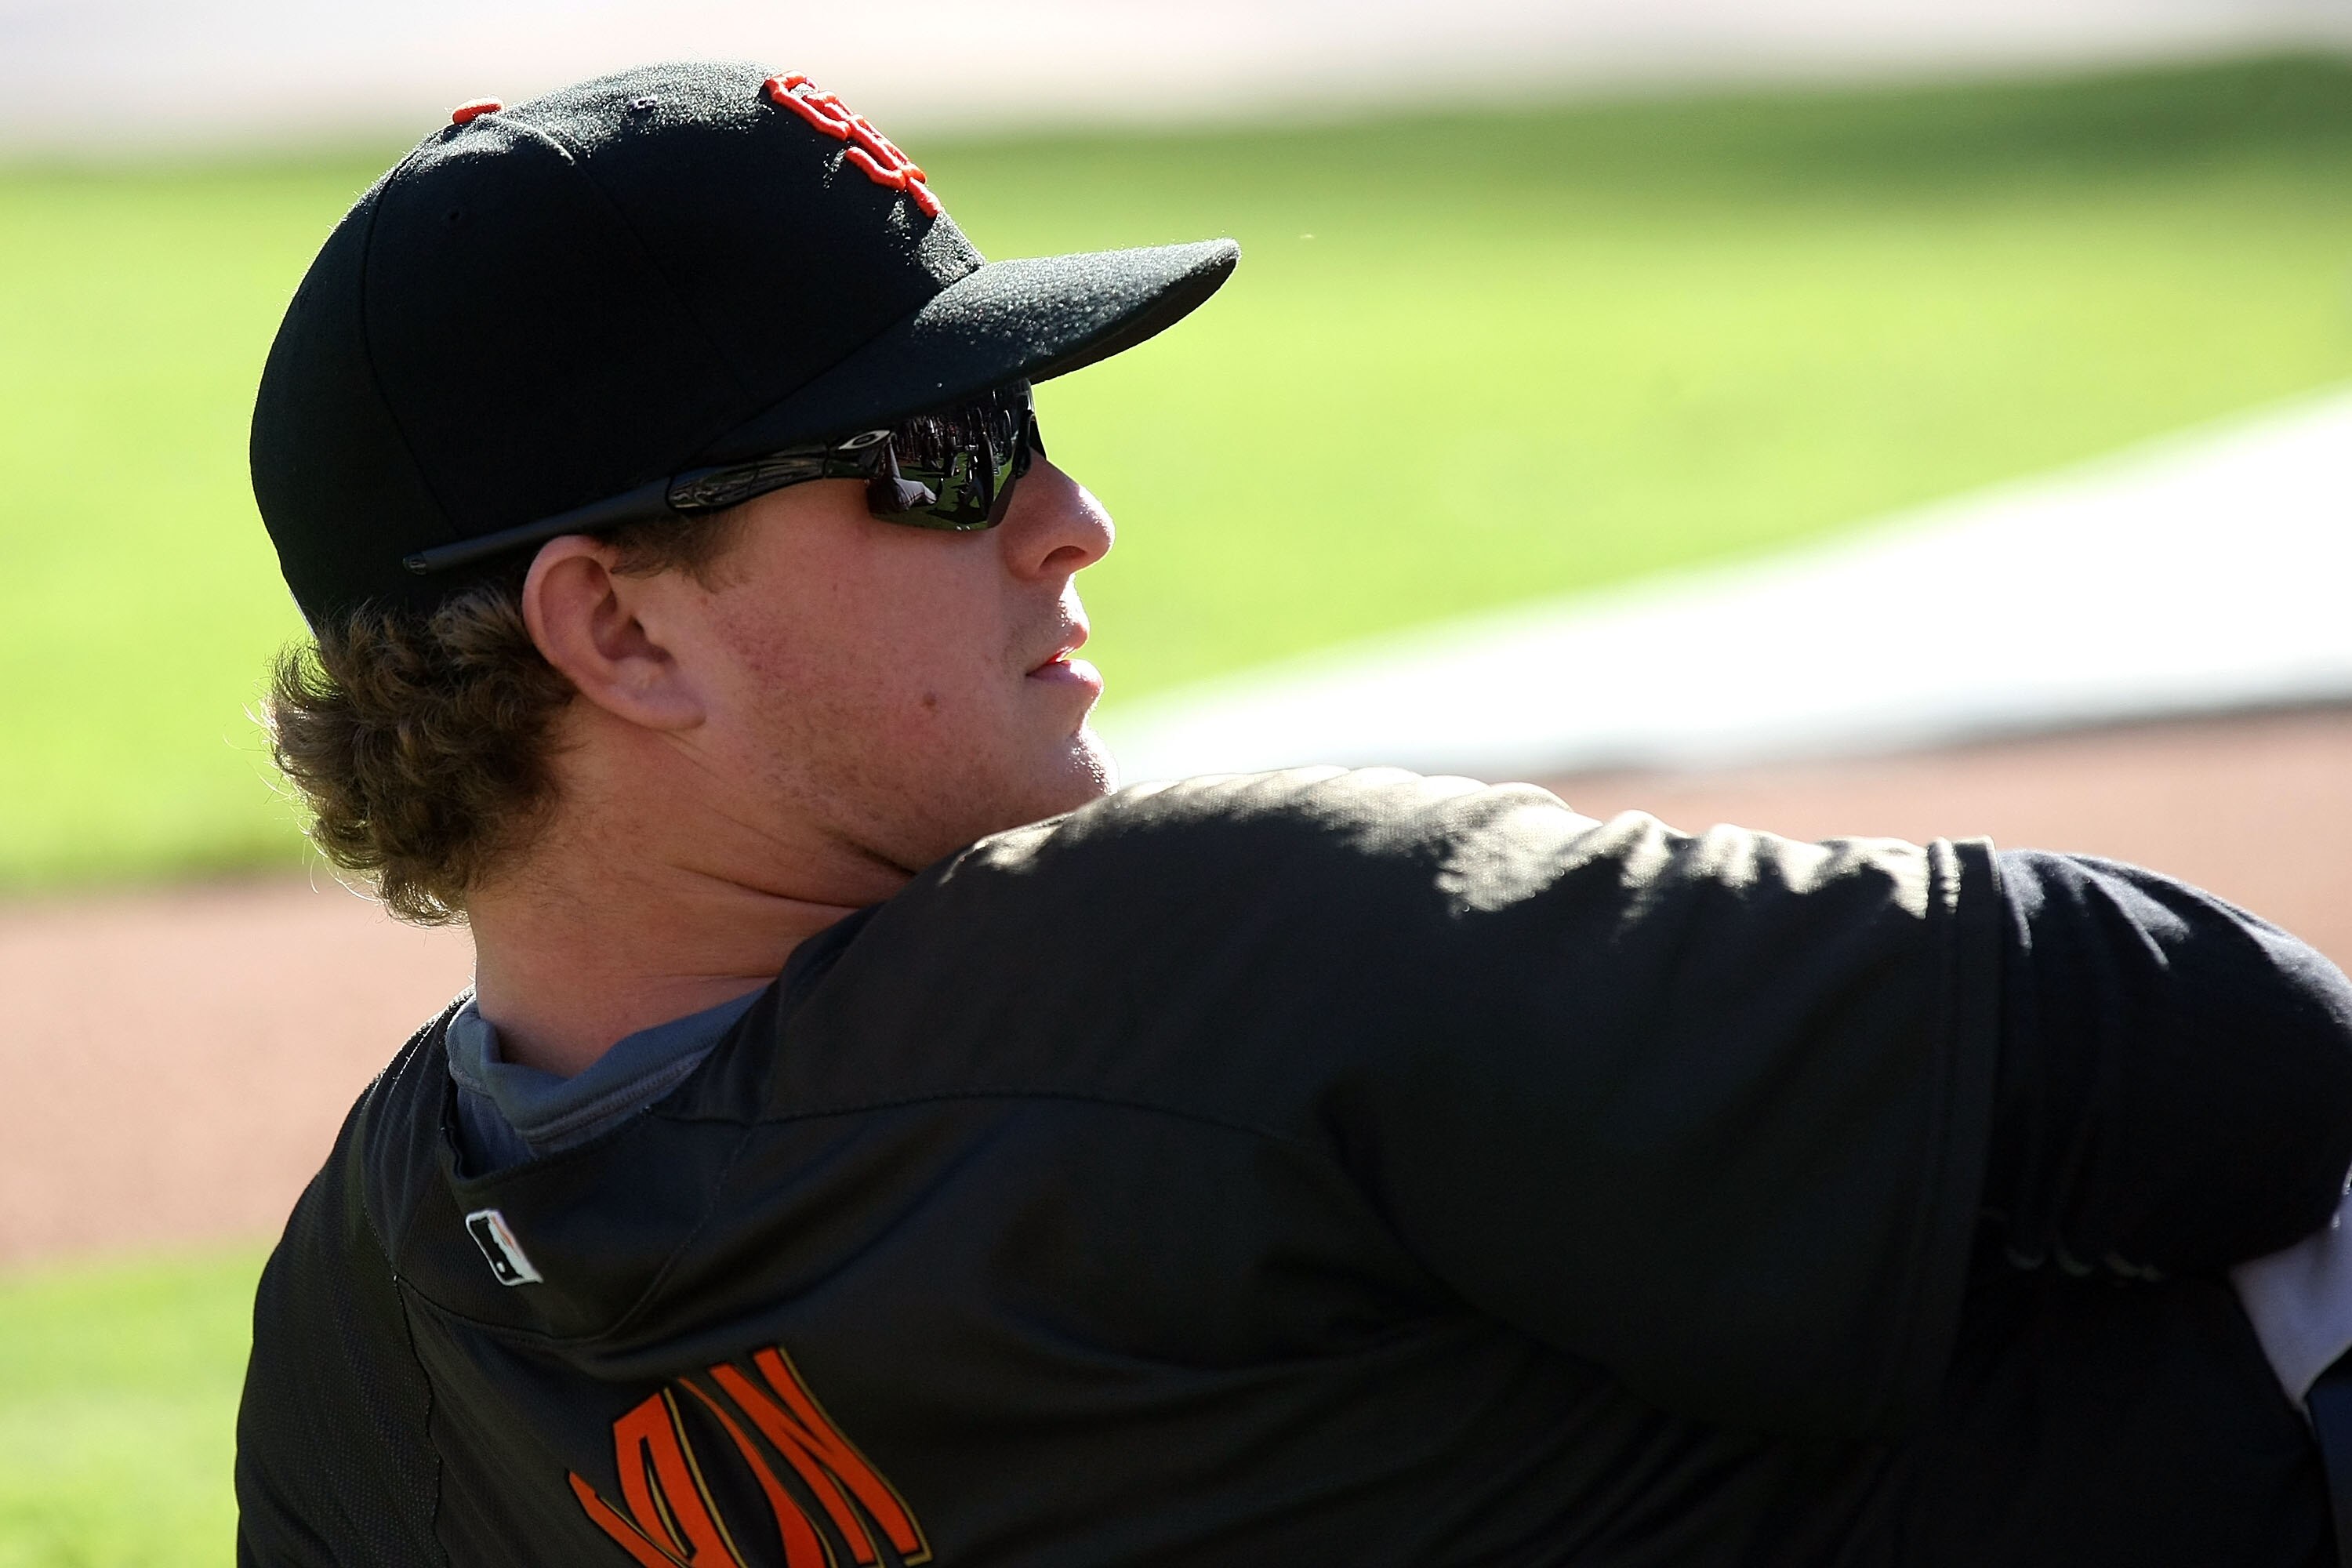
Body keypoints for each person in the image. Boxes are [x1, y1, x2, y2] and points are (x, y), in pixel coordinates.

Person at [235, 60, 2352, 1567]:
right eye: (947, 452)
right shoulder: (1191, 973)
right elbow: (2234, 1042)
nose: (1071, 517)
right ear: (619, 630)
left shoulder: (367, 1322)